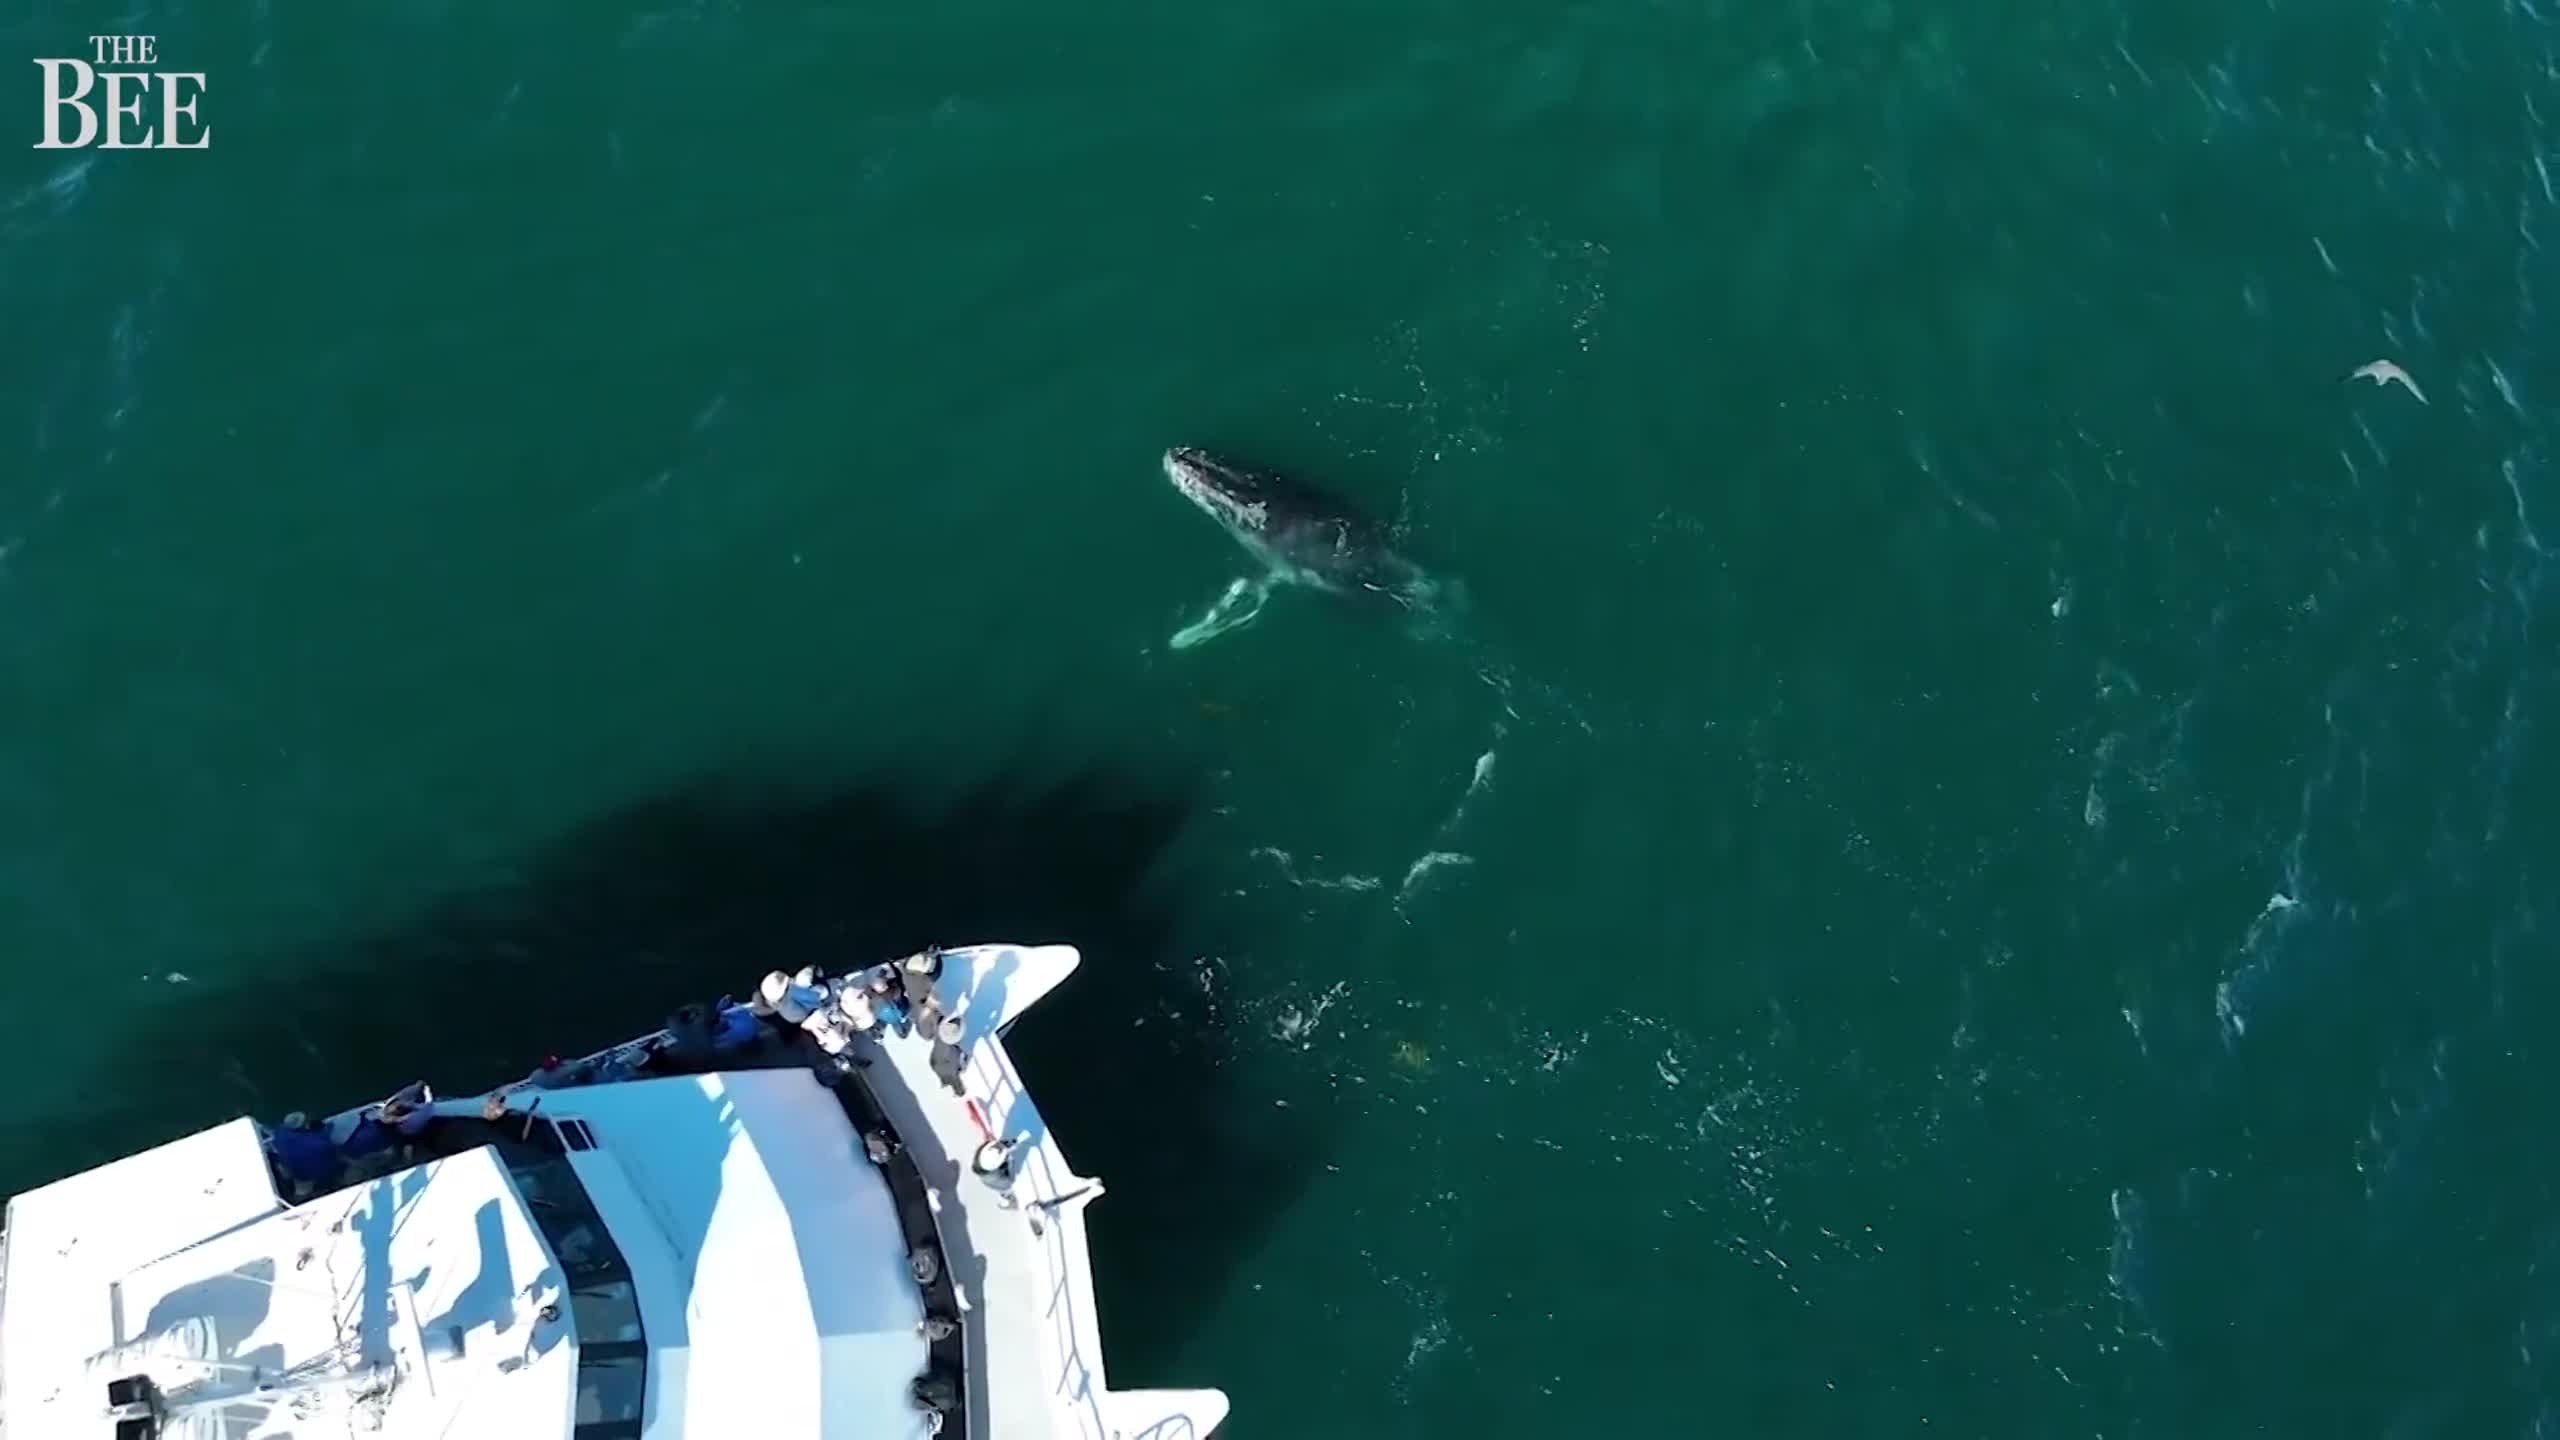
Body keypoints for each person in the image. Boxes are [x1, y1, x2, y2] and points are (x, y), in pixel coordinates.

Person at [267, 1112, 340, 1198]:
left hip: (288, 1167)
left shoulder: (279, 1133)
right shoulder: (318, 1141)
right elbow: (329, 1149)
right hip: (304, 1173)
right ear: (303, 1125)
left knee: (300, 1187)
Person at [927, 1015, 967, 1097]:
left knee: (943, 1044)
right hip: (943, 1061)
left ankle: (946, 1082)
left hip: (939, 1059)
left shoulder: (942, 1037)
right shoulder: (956, 1068)